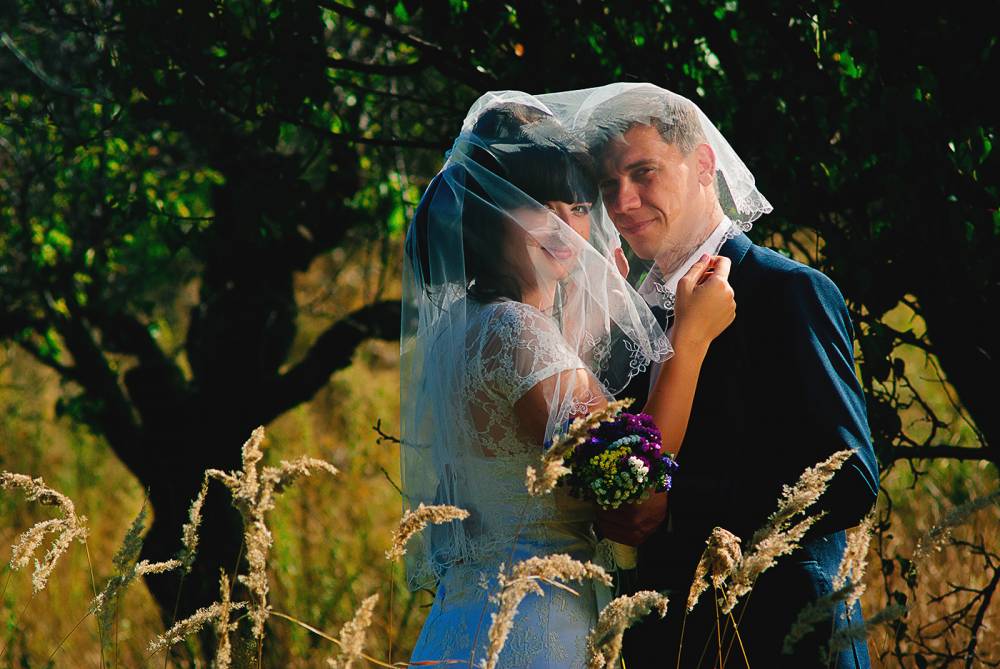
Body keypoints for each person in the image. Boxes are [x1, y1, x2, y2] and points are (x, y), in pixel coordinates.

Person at [399, 92, 735, 668]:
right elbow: (632, 478)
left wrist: (585, 312)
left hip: (467, 618)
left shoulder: (465, 325)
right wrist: (691, 339)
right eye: (538, 205)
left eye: (578, 207)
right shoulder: (515, 330)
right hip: (533, 623)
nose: (564, 227)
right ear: (489, 210)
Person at [559, 82, 880, 668]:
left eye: (643, 173)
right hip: (669, 642)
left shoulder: (788, 291)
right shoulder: (627, 322)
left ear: (704, 165)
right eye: (608, 186)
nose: (623, 202)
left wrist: (673, 502)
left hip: (783, 636)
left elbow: (850, 479)